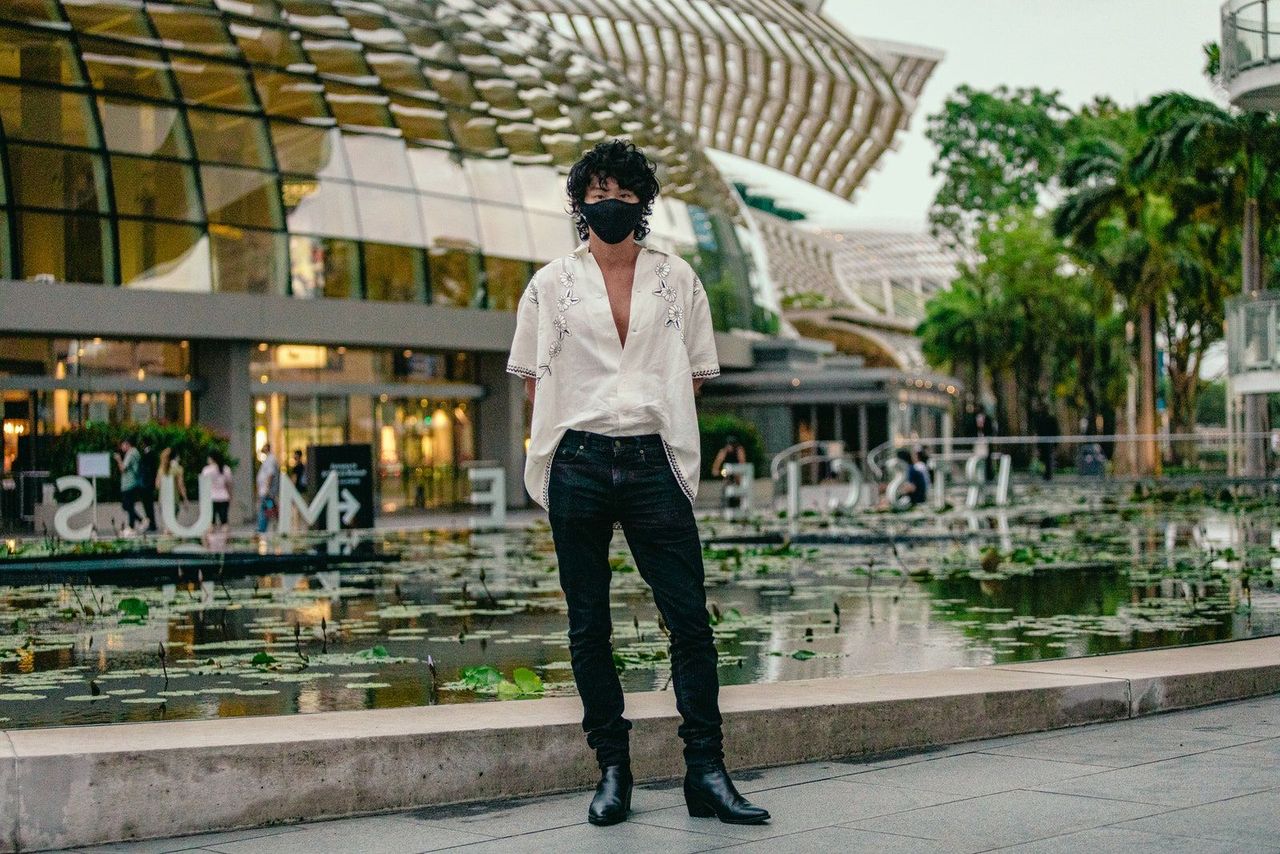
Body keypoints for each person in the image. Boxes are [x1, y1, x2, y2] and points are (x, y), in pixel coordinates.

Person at [505, 139, 769, 828]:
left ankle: (706, 772)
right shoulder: (549, 285)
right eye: (599, 192)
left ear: (643, 203)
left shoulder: (677, 279)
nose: (611, 203)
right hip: (579, 461)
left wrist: (651, 414)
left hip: (654, 461)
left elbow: (696, 372)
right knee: (588, 624)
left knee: (690, 620)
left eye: (624, 192)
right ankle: (613, 770)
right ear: (579, 202)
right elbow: (535, 381)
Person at [114, 436, 144, 533]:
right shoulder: (135, 452)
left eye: (122, 445)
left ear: (127, 444)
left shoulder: (131, 453)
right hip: (130, 483)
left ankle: (135, 524)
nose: (121, 447)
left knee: (128, 505)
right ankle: (137, 523)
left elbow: (123, 468)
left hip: (129, 483)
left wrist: (118, 459)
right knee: (128, 505)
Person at [202, 451, 233, 534]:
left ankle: (211, 539)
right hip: (224, 497)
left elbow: (204, 485)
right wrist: (230, 495)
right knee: (224, 522)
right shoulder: (226, 469)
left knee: (211, 522)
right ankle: (225, 539)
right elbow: (229, 484)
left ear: (212, 458)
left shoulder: (207, 470)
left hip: (211, 497)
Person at [255, 443, 280, 534]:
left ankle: (262, 528)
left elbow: (270, 474)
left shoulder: (271, 459)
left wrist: (267, 488)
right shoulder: (267, 459)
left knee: (265, 508)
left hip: (267, 491)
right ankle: (265, 526)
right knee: (267, 507)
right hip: (265, 490)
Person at [138, 437, 159, 532]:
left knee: (148, 505)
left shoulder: (149, 454)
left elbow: (150, 470)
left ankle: (152, 523)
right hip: (147, 484)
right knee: (148, 505)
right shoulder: (150, 454)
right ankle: (151, 523)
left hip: (147, 484)